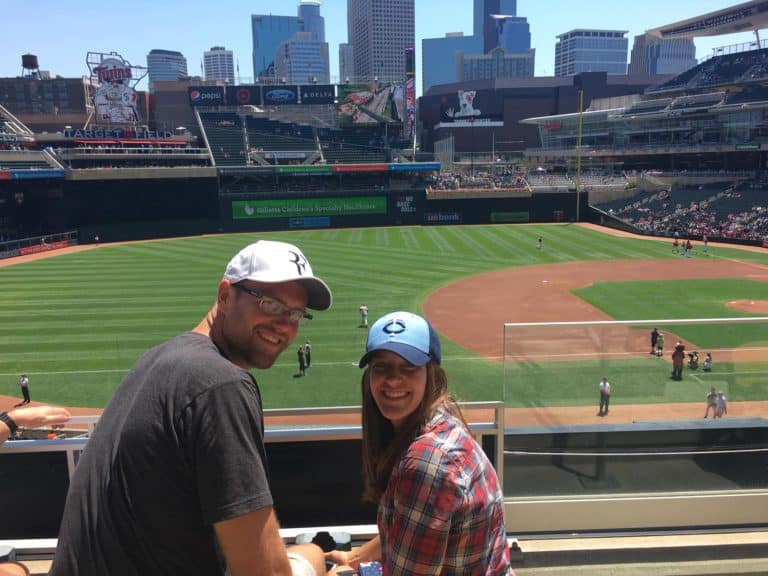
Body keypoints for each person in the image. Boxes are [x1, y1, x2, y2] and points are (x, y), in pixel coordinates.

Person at [51, 240, 333, 576]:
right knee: (311, 555)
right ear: (225, 296)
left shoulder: (158, 357)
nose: (285, 324)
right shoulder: (221, 383)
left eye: (295, 313)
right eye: (271, 304)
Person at [326, 311, 512, 575]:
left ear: (431, 374)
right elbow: (413, 528)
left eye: (408, 366)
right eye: (381, 366)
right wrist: (356, 556)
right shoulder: (441, 424)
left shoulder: (427, 461)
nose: (392, 379)